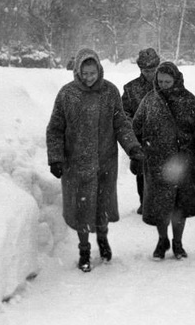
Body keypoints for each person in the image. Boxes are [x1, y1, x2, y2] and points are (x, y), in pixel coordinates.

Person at [46, 48, 144, 272]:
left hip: (105, 162)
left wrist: (134, 149)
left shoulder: (109, 92)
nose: (89, 77)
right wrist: (56, 158)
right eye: (85, 73)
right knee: (82, 209)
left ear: (99, 69)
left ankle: (103, 240)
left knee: (102, 207)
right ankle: (84, 250)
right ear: (78, 72)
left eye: (93, 73)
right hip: (77, 164)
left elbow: (121, 125)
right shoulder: (67, 94)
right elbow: (55, 129)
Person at [132, 61, 195, 260]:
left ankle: (178, 243)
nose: (163, 85)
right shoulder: (149, 101)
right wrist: (136, 154)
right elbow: (135, 128)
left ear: (176, 80)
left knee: (180, 207)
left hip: (184, 163)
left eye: (167, 81)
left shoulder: (189, 102)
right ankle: (162, 241)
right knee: (160, 207)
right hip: (157, 163)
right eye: (160, 81)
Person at [121, 48, 160, 214]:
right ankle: (145, 203)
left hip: (164, 136)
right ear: (140, 69)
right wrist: (134, 126)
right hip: (141, 138)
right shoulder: (131, 89)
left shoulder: (168, 84)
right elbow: (124, 114)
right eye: (146, 70)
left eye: (153, 70)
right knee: (142, 172)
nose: (150, 74)